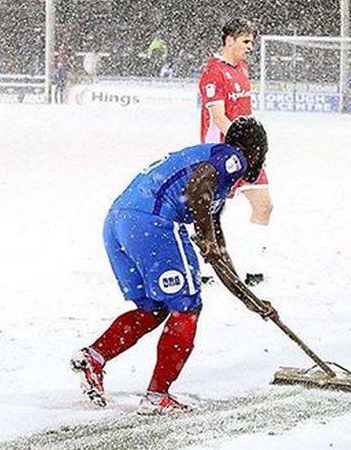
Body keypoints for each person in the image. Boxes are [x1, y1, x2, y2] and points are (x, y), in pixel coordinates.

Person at [71, 117, 276, 414]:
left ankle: (94, 358)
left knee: (154, 308)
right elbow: (198, 189)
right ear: (256, 151)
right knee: (187, 307)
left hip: (119, 222)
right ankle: (157, 396)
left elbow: (218, 254)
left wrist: (251, 301)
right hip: (152, 222)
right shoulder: (232, 157)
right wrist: (204, 235)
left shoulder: (213, 184)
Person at [198, 18, 272, 286]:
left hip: (246, 152)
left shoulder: (242, 69)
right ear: (229, 40)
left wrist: (251, 147)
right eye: (245, 41)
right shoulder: (213, 72)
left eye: (252, 41)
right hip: (220, 153)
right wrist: (239, 145)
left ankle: (254, 271)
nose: (250, 46)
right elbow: (218, 117)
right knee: (212, 213)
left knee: (264, 206)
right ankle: (206, 270)